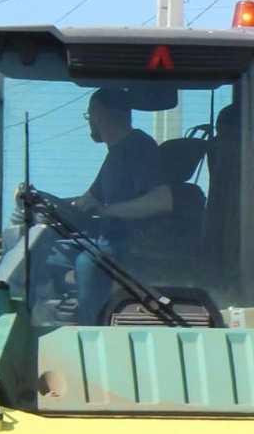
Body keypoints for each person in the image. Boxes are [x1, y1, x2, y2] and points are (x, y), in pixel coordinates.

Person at [65, 87, 175, 318]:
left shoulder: (139, 147)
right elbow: (86, 201)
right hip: (107, 242)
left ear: (99, 115)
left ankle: (90, 327)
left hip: (131, 244)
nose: (89, 122)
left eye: (89, 115)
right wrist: (38, 200)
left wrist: (108, 210)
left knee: (88, 262)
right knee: (49, 247)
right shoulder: (114, 155)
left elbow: (162, 201)